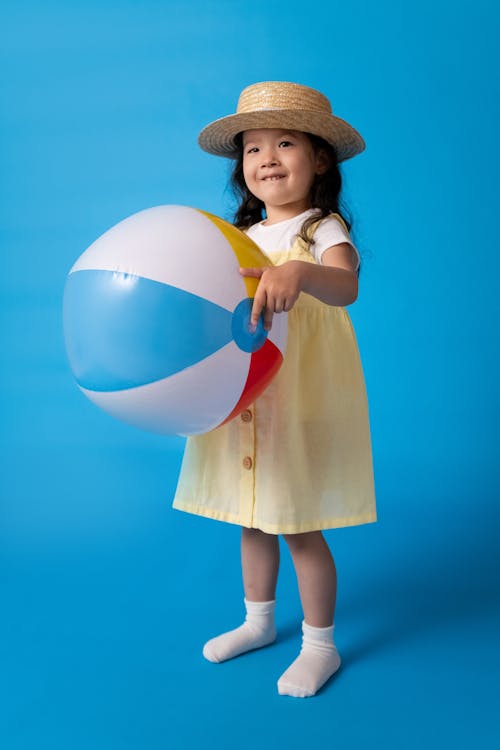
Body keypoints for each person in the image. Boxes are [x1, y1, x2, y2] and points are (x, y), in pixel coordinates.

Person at [173, 81, 377, 698]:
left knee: (296, 524)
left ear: (319, 159)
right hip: (248, 399)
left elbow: (346, 288)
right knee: (251, 518)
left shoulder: (321, 228)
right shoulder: (240, 238)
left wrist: (300, 270)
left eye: (285, 142)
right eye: (252, 148)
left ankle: (322, 645)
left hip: (297, 398)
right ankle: (257, 621)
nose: (265, 157)